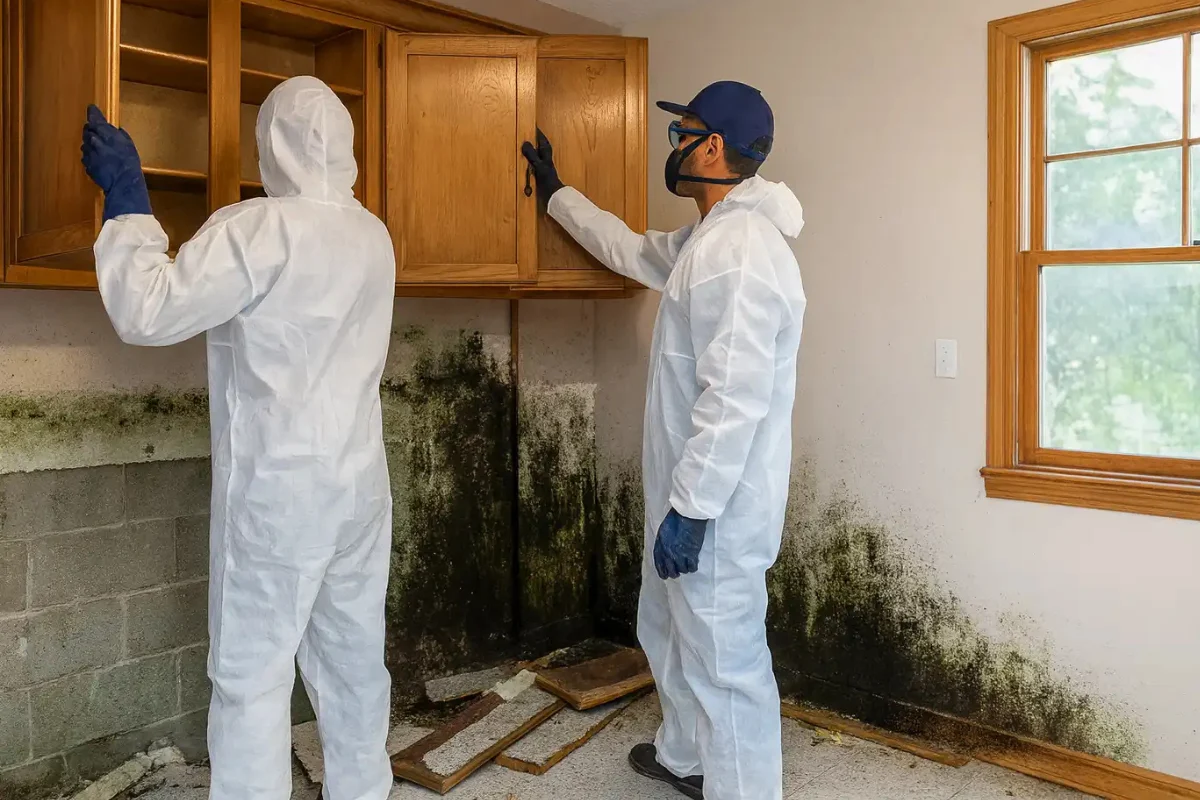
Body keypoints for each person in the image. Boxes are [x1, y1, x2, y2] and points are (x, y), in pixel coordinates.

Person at [81, 76, 396, 800]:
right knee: (353, 662)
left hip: (279, 494)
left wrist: (127, 199)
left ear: (272, 145)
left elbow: (148, 311)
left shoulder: (258, 228)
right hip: (358, 488)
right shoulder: (372, 234)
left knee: (252, 675)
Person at [523, 81, 806, 800]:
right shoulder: (708, 240)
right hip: (688, 494)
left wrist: (695, 509)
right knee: (672, 632)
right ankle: (686, 758)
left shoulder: (741, 252)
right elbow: (630, 249)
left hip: (716, 509)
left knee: (725, 664)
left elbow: (734, 396)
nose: (672, 146)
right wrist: (558, 196)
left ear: (712, 147)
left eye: (683, 132)